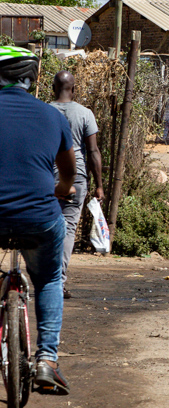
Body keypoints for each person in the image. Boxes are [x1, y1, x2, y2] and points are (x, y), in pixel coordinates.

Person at [0, 46, 76, 394]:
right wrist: (63, 188)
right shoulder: (54, 117)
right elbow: (68, 173)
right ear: (32, 80)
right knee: (47, 279)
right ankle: (47, 360)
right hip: (39, 217)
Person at [49, 70, 104, 299]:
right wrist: (99, 185)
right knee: (68, 228)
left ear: (53, 88)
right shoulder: (85, 114)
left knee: (46, 226)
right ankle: (58, 283)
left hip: (46, 177)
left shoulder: (44, 111)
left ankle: (45, 278)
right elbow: (92, 151)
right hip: (76, 178)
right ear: (73, 89)